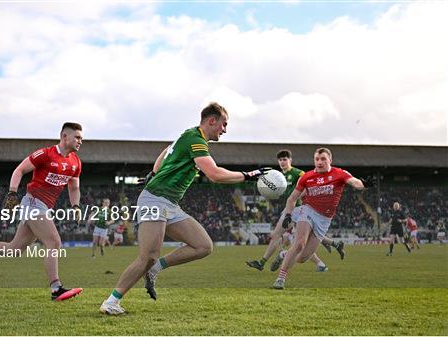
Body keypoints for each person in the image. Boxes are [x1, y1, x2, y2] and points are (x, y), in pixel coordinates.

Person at [99, 102, 270, 314]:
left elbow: (165, 152)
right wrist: (249, 175)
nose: (224, 130)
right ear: (211, 120)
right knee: (148, 255)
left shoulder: (187, 135)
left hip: (169, 203)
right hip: (155, 199)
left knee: (203, 246)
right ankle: (111, 302)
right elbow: (214, 174)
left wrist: (155, 173)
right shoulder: (195, 140)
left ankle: (156, 268)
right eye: (223, 125)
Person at [0, 122, 84, 301]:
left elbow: (74, 188)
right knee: (54, 242)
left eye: (81, 138)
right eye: (77, 137)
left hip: (43, 207)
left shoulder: (75, 162)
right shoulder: (45, 154)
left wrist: (76, 206)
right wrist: (12, 192)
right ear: (65, 137)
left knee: (14, 249)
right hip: (33, 202)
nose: (81, 141)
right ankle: (56, 288)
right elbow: (20, 170)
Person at [271, 147, 374, 289]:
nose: (319, 162)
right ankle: (280, 279)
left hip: (325, 220)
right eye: (317, 159)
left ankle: (284, 254)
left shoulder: (339, 173)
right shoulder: (306, 177)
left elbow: (355, 182)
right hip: (308, 210)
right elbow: (292, 199)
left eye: (323, 159)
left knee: (302, 258)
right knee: (299, 243)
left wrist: (364, 184)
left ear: (330, 160)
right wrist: (288, 215)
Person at [245, 149, 343, 273]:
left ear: (290, 160)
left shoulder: (298, 173)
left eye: (285, 159)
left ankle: (263, 262)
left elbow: (311, 183)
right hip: (290, 210)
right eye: (280, 160)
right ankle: (329, 252)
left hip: (299, 211)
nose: (282, 162)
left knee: (284, 238)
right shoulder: (278, 176)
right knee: (296, 242)